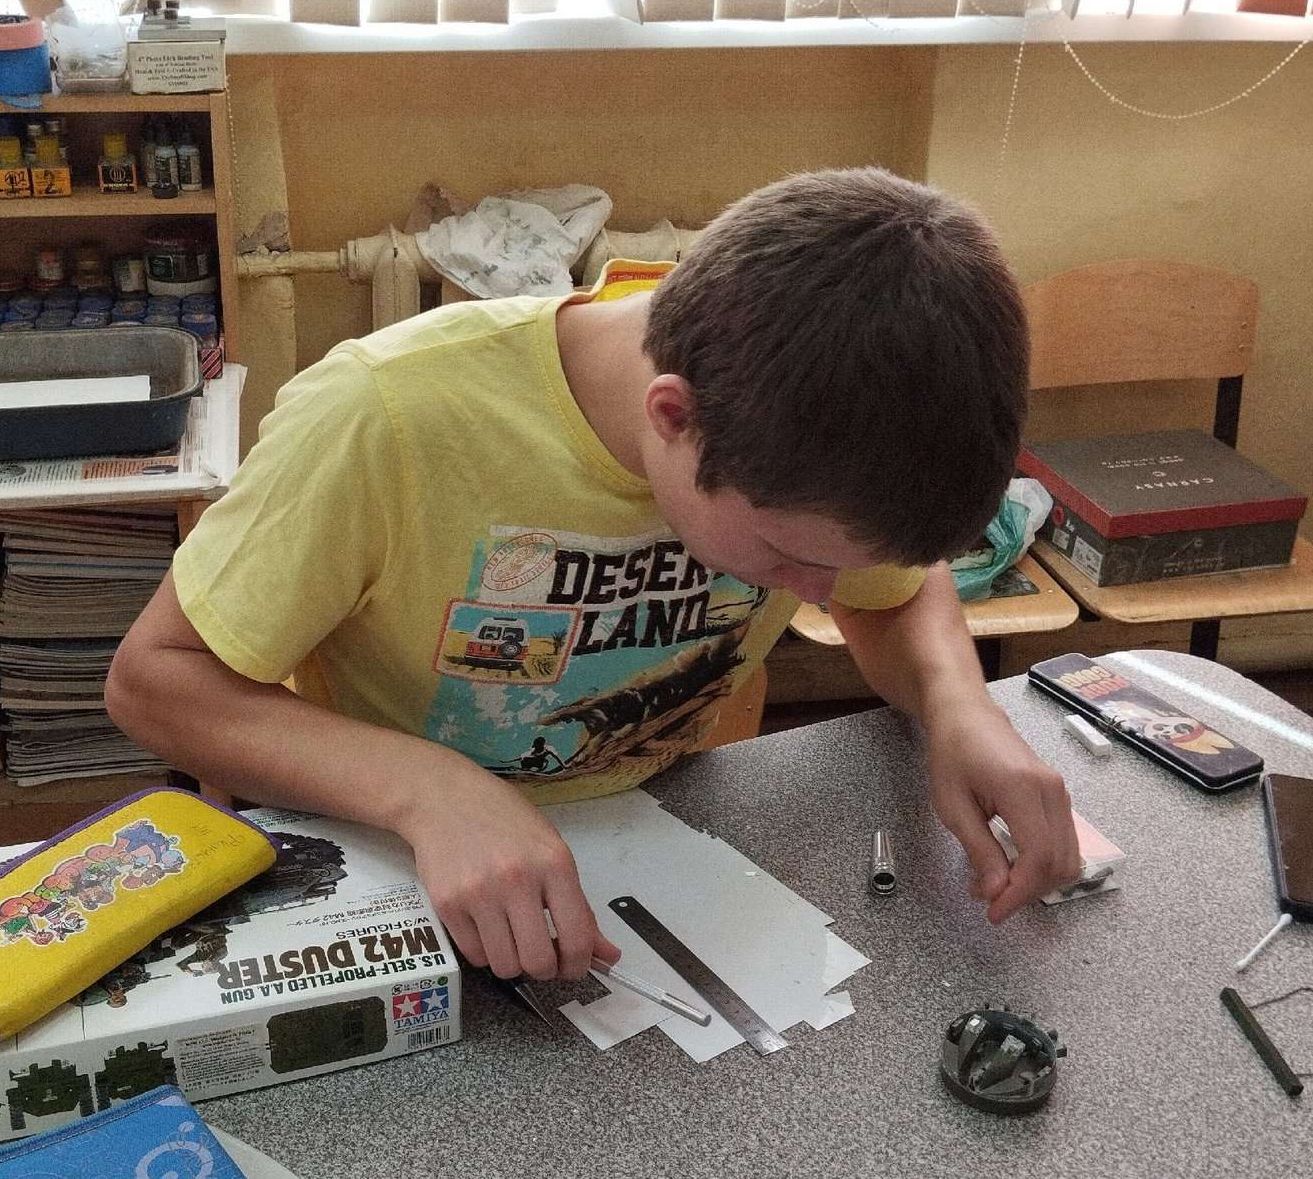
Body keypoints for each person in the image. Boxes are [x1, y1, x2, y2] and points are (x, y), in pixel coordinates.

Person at [106, 167, 1081, 987]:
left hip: (672, 836)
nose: (820, 599)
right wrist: (426, 791)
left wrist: (959, 708)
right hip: (392, 865)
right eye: (794, 562)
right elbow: (155, 680)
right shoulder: (382, 418)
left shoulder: (799, 436)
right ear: (672, 416)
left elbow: (894, 595)